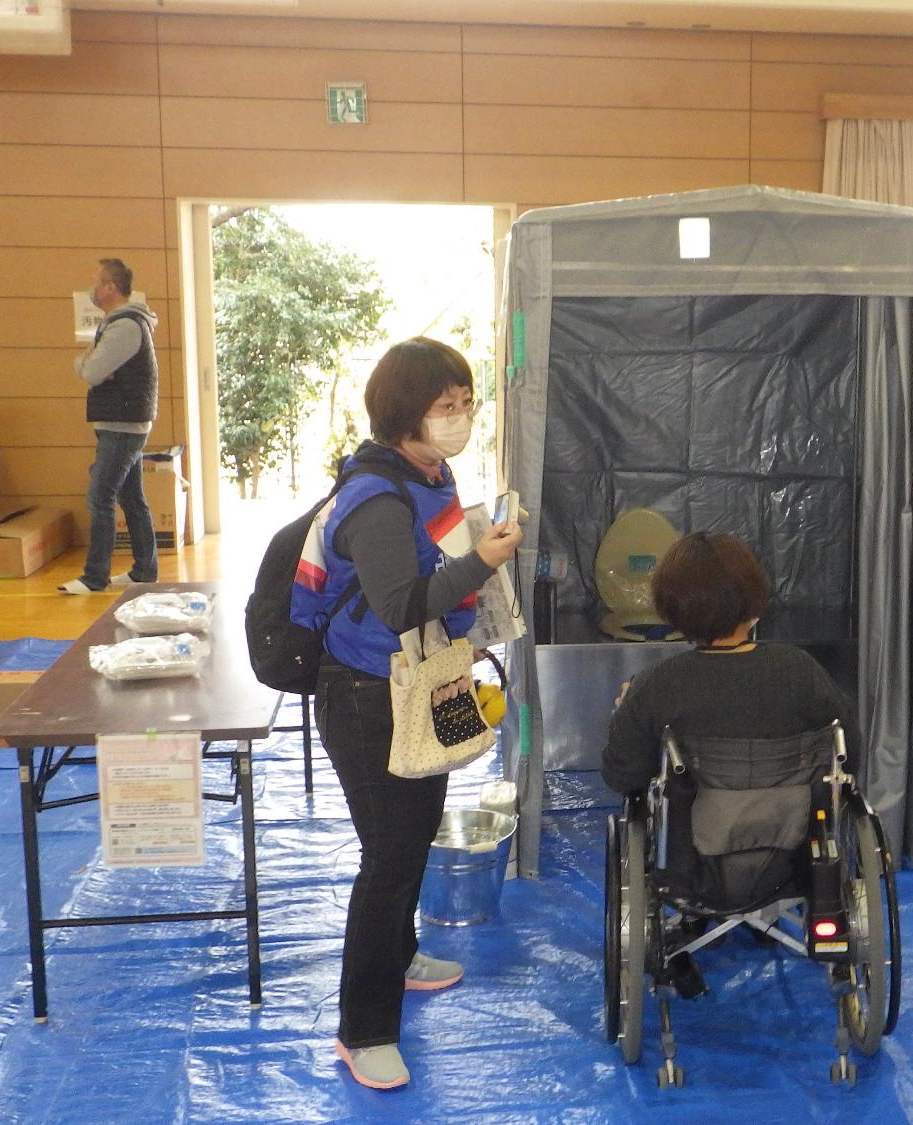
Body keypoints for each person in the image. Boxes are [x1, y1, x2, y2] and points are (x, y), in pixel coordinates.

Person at [315, 337, 522, 1090]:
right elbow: (399, 602)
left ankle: (399, 957)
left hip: (425, 678)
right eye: (446, 406)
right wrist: (486, 564)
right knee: (391, 858)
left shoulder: (430, 472)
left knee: (413, 826)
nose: (461, 416)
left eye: (467, 402)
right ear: (405, 413)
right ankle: (363, 1028)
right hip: (369, 695)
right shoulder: (376, 496)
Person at [602, 532, 852, 799]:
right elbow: (849, 756)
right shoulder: (802, 671)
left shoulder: (655, 686)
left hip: (687, 839)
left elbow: (621, 775)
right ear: (753, 594)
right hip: (795, 835)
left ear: (672, 607)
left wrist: (624, 712)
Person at [59, 257, 159, 595]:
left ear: (111, 287)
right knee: (132, 499)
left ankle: (94, 577)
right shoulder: (119, 324)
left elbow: (90, 371)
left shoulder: (124, 327)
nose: (91, 288)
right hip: (123, 422)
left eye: (95, 281)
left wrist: (88, 361)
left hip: (123, 425)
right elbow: (93, 365)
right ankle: (144, 571)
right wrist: (90, 360)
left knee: (99, 497)